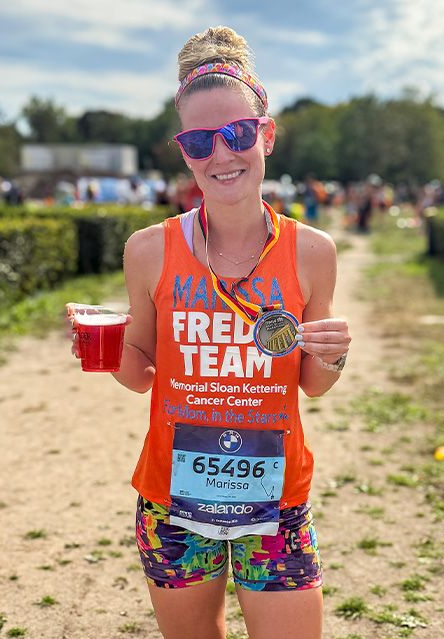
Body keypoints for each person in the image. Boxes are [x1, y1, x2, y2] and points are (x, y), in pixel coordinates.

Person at [67, 26, 350, 639]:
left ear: (265, 135)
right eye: (200, 141)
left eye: (238, 133)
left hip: (273, 504)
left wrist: (331, 356)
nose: (221, 154)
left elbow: (315, 386)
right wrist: (107, 348)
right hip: (173, 502)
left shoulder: (311, 252)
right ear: (185, 152)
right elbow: (141, 373)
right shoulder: (148, 251)